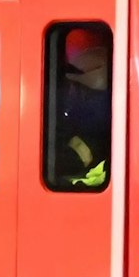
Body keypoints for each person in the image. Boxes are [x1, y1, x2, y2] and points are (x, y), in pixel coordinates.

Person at [54, 45, 111, 188]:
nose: (67, 93)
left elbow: (65, 161)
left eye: (72, 87)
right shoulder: (79, 121)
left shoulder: (91, 132)